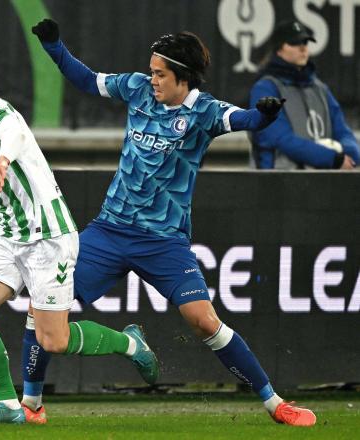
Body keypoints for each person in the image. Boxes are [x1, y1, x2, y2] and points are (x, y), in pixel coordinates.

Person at [19, 19, 317, 427]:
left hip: (164, 242)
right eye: (152, 71)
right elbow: (86, 79)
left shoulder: (205, 111)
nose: (152, 78)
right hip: (110, 231)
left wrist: (263, 117)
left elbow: (245, 120)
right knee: (44, 305)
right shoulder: (137, 88)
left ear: (183, 78)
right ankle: (31, 406)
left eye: (160, 73)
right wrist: (55, 45)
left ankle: (275, 404)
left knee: (205, 322)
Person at [0, 60, 159, 424]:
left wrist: (4, 156)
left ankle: (131, 344)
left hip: (49, 236)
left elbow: (15, 133)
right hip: (9, 236)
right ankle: (8, 404)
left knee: (54, 340)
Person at [249, 19, 359, 169]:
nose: (303, 48)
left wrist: (350, 153)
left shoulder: (320, 89)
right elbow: (281, 139)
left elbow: (344, 132)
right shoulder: (265, 89)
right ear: (279, 50)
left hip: (321, 183)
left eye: (305, 43)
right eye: (294, 43)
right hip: (276, 184)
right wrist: (333, 159)